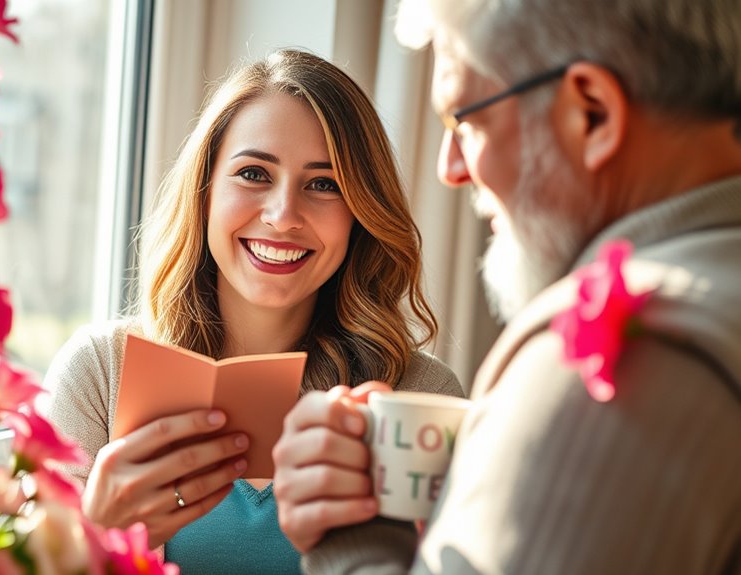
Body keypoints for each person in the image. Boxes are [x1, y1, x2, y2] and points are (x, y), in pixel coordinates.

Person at [272, 0, 741, 573]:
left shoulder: (632, 354)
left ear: (591, 113)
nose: (451, 167)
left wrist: (350, 534)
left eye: (464, 120)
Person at [42, 49, 464, 574]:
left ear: (361, 212)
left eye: (323, 184)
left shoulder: (419, 400)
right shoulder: (99, 374)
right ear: (205, 192)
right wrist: (99, 538)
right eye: (254, 174)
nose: (284, 216)